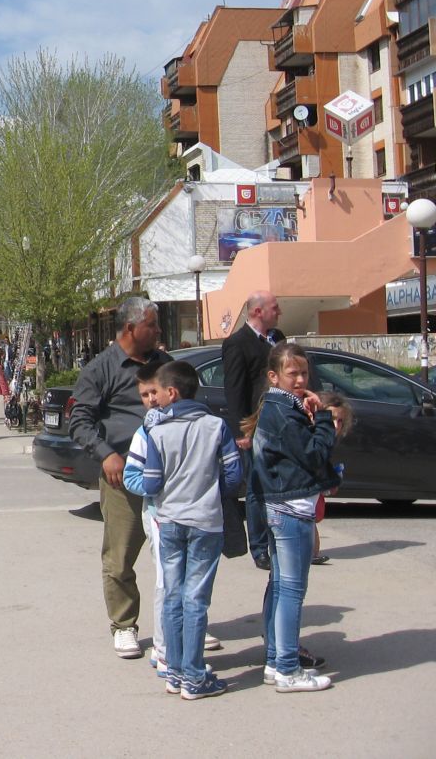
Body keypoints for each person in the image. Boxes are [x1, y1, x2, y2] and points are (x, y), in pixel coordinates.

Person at [124, 361, 242, 700]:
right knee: (196, 599)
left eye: (157, 391)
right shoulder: (216, 426)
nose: (154, 398)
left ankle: (173, 671)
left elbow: (150, 481)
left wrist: (167, 491)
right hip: (205, 521)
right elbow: (233, 476)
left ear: (172, 393)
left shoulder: (156, 432)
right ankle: (194, 675)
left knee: (173, 594)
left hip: (170, 521)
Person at [68, 296, 171, 659]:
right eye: (153, 325)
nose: (159, 331)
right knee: (120, 556)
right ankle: (124, 625)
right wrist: (106, 454)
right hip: (123, 476)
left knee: (175, 554)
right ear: (131, 328)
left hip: (170, 478)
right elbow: (79, 423)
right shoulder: (101, 369)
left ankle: (179, 624)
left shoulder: (165, 365)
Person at [242, 342, 339, 693]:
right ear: (274, 376)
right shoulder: (282, 411)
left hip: (283, 505)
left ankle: (275, 660)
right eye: (291, 373)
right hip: (291, 508)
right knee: (291, 591)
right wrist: (325, 418)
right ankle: (286, 667)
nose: (299, 379)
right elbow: (313, 454)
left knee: (282, 587)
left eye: (303, 373)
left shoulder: (279, 407)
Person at [221, 290, 284, 571]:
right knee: (257, 490)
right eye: (274, 307)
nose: (279, 312)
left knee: (279, 486)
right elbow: (234, 391)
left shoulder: (277, 339)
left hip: (280, 423)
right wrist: (240, 432)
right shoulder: (238, 343)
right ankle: (259, 548)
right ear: (258, 311)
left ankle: (281, 540)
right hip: (254, 427)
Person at [311, 392, 352, 566]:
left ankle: (311, 553)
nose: (336, 425)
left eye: (341, 421)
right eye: (331, 419)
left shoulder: (327, 440)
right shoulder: (311, 437)